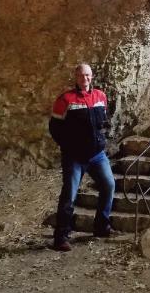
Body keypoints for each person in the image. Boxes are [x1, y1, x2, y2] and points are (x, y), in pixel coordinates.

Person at [49, 63, 115, 251]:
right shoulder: (65, 99)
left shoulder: (100, 96)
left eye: (87, 75)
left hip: (97, 155)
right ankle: (61, 236)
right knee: (69, 195)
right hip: (74, 157)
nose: (84, 79)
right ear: (76, 77)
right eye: (81, 75)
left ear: (91, 77)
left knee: (109, 185)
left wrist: (100, 139)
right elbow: (54, 128)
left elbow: (103, 120)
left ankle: (101, 226)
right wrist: (69, 147)